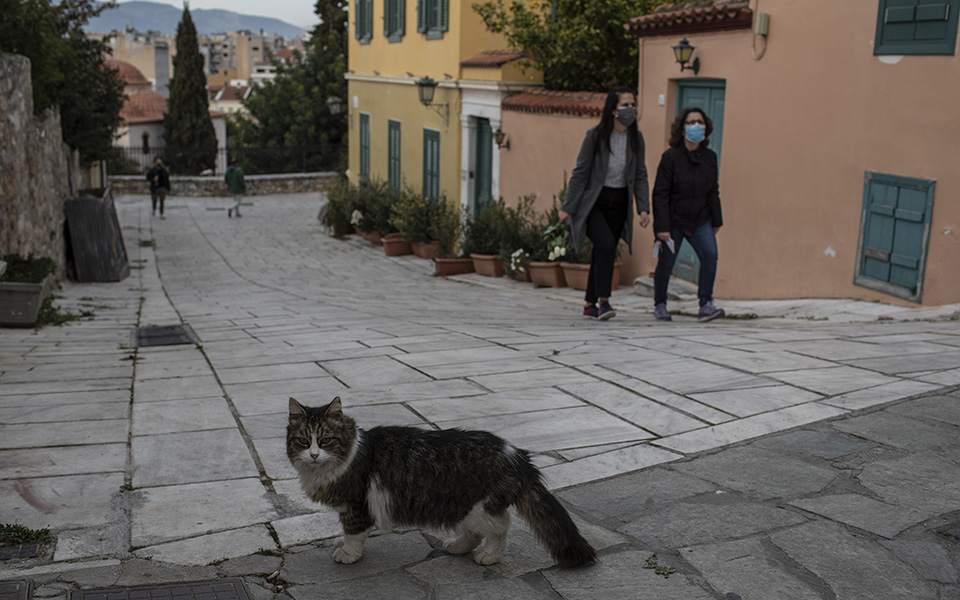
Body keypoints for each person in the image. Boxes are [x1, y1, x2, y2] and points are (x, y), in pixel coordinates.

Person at [559, 86, 650, 321]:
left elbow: (640, 174)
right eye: (625, 105)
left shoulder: (636, 138)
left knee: (603, 250)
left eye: (633, 105)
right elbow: (581, 172)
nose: (631, 109)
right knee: (607, 245)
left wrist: (643, 207)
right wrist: (568, 207)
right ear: (612, 110)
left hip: (619, 202)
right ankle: (604, 302)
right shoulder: (595, 136)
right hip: (594, 203)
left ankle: (589, 304)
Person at [651, 107, 724, 323]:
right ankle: (660, 304)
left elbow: (713, 191)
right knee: (666, 263)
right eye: (691, 122)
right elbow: (660, 193)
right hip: (673, 221)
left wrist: (717, 220)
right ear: (682, 130)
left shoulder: (710, 158)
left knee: (710, 256)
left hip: (701, 219)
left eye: (700, 122)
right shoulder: (670, 157)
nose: (696, 126)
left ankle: (706, 304)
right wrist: (662, 226)